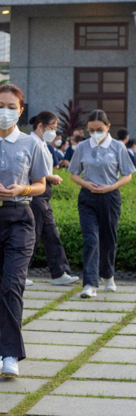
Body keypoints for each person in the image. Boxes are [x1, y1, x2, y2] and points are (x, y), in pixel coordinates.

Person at [0, 86, 50, 377]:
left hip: (21, 217)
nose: (5, 111)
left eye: (11, 106)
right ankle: (1, 347)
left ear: (20, 110)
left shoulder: (31, 144)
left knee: (11, 285)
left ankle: (12, 354)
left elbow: (41, 184)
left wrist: (23, 188)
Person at [68, 110, 135, 298]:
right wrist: (86, 183)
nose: (95, 133)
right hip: (87, 198)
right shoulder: (82, 147)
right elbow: (73, 173)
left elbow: (128, 175)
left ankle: (108, 275)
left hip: (110, 197)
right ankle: (90, 283)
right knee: (90, 239)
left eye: (99, 129)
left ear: (108, 127)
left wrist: (111, 187)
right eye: (91, 130)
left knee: (108, 239)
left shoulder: (118, 147)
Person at [26, 111, 79, 287]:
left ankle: (59, 272)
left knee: (51, 235)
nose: (54, 133)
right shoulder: (30, 143)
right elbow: (32, 171)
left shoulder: (42, 144)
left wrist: (49, 178)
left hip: (44, 195)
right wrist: (50, 177)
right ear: (41, 126)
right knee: (31, 235)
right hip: (35, 194)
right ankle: (19, 271)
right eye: (52, 128)